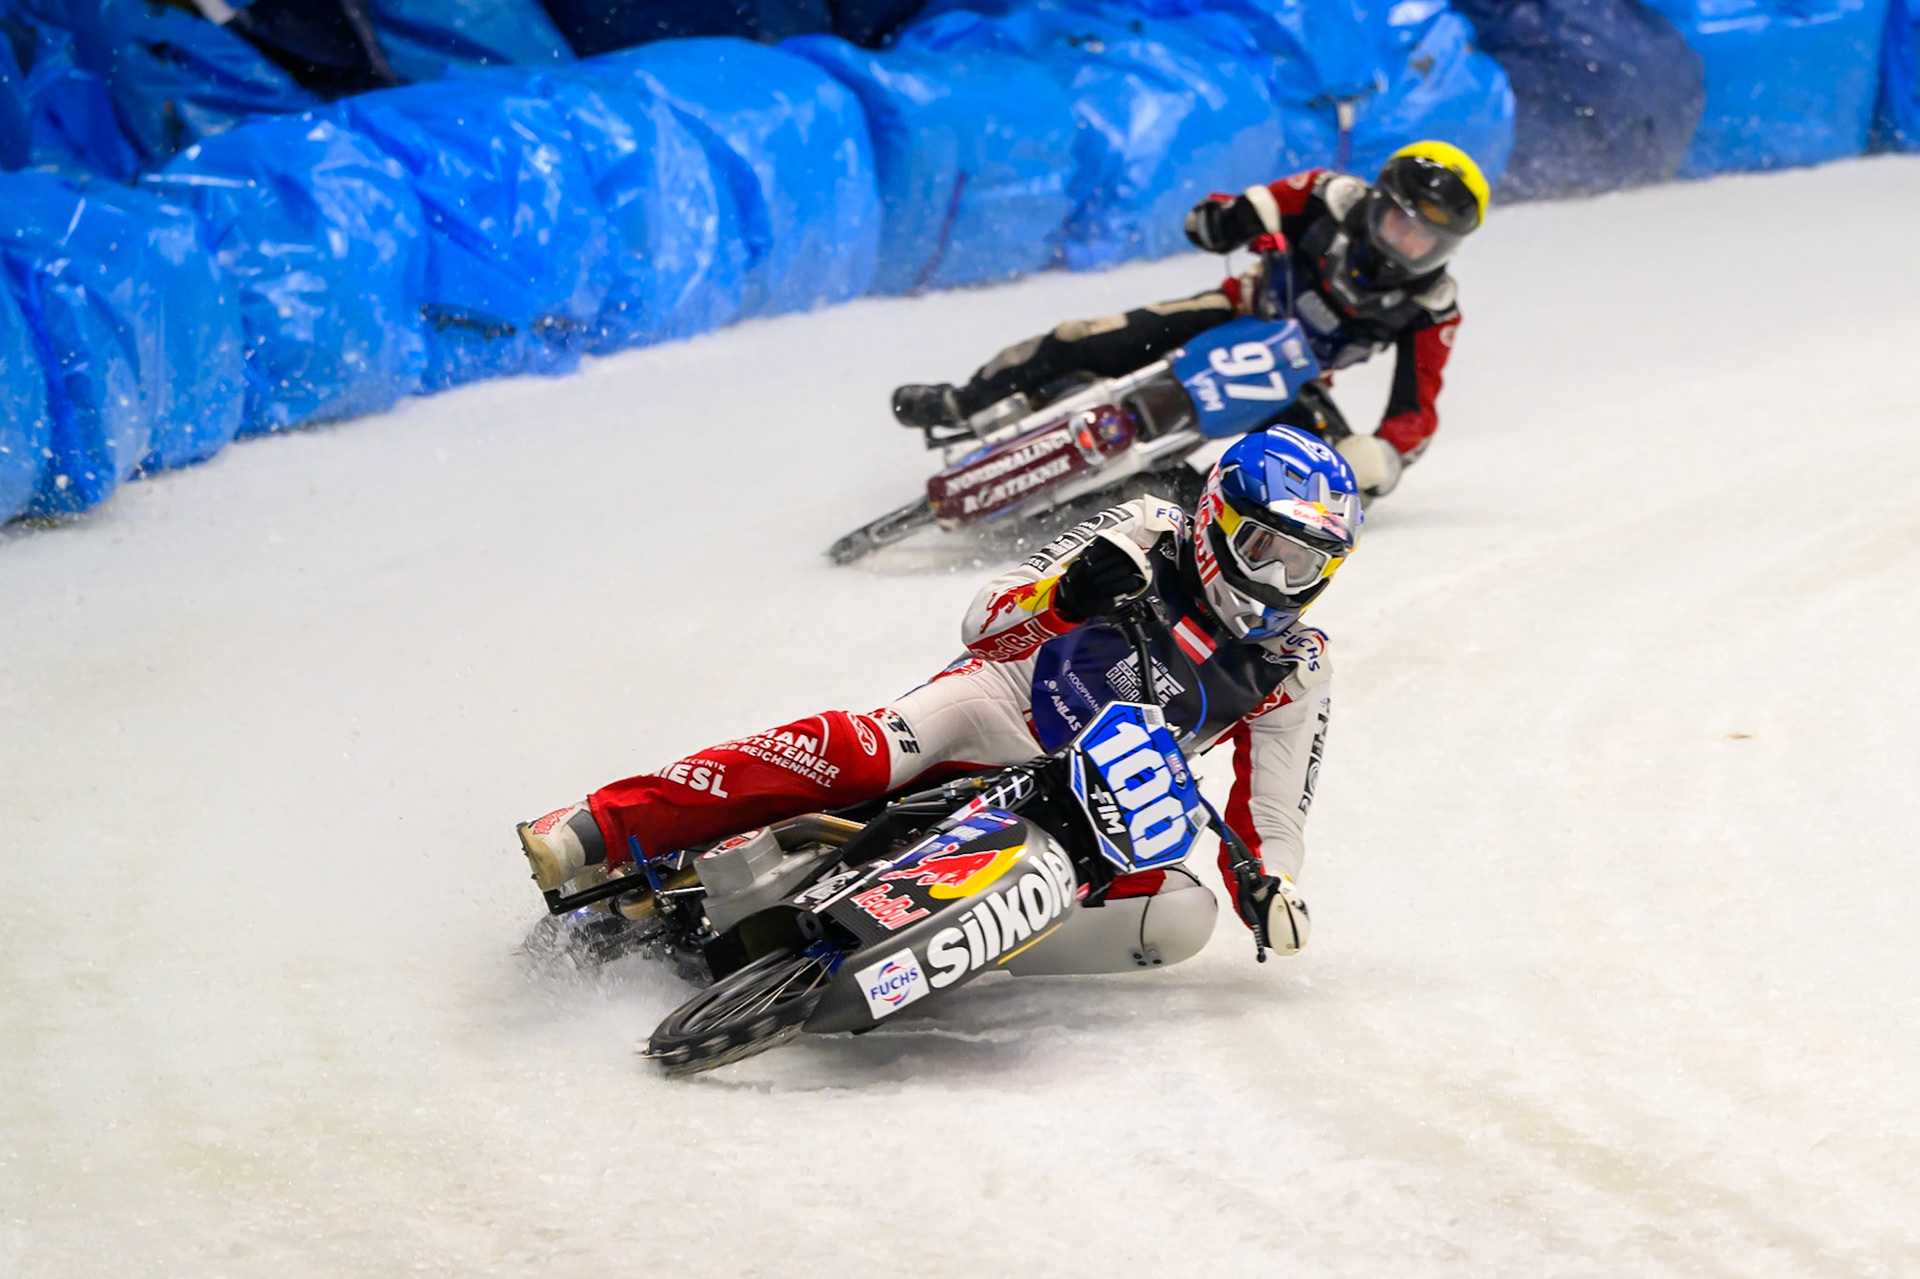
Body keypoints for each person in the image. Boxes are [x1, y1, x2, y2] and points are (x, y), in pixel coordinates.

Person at [518, 426, 1365, 962]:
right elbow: (983, 620)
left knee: (1182, 919)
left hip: (1094, 805)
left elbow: (1275, 816)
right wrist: (1065, 597)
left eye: (1306, 566)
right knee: (866, 745)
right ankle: (598, 826)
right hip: (1000, 704)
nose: (1280, 582)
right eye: (1265, 548)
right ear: (1217, 517)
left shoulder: (1297, 666)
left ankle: (914, 947)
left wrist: (1271, 883)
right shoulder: (1144, 527)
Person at [892, 141, 1489, 501]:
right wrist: (1220, 221)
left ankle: (1153, 497)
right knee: (1081, 339)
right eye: (1400, 223)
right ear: (1377, 202)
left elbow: (1417, 412)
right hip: (1235, 310)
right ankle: (963, 402)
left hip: (1296, 382)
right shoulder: (1327, 194)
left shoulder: (1433, 307)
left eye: (1426, 241)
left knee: (1294, 490)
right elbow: (1252, 205)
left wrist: (1380, 455)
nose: (1405, 245)